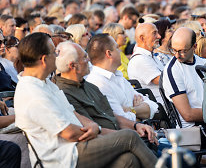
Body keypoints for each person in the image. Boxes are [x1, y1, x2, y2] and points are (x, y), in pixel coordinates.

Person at [14, 32, 157, 167]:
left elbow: (73, 113)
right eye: (54, 53)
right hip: (63, 156)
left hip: (75, 146)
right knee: (129, 137)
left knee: (128, 161)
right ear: (44, 60)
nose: (57, 57)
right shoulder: (32, 92)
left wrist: (95, 127)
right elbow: (69, 133)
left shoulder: (44, 83)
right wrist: (95, 129)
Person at [54, 41, 157, 142]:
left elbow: (113, 115)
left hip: (121, 135)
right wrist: (128, 134)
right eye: (84, 57)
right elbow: (91, 130)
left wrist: (135, 124)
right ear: (73, 66)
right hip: (107, 142)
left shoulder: (90, 86)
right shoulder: (65, 92)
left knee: (160, 146)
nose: (89, 60)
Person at [86, 34, 161, 122]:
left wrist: (131, 109)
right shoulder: (98, 83)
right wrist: (138, 114)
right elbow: (122, 121)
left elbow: (153, 107)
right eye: (117, 48)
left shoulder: (117, 76)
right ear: (109, 53)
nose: (120, 51)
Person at [128, 23, 164, 103]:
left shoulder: (150, 56)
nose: (159, 36)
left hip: (167, 103)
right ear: (142, 38)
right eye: (154, 33)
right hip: (161, 107)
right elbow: (163, 80)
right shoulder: (139, 59)